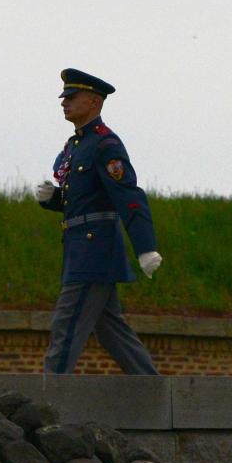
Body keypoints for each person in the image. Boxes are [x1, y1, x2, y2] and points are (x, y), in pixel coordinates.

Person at [31, 69, 164, 375]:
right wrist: (52, 198)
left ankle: (49, 403)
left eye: (71, 97)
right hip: (80, 245)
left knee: (65, 326)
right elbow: (83, 200)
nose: (64, 103)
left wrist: (145, 246)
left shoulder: (106, 144)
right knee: (111, 331)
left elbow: (127, 194)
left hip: (95, 248)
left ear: (93, 101)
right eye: (64, 98)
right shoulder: (76, 145)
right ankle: (153, 390)